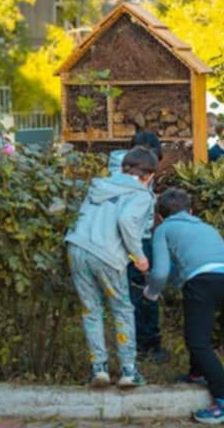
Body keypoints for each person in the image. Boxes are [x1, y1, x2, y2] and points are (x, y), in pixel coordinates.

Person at [143, 188, 224, 424]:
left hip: (203, 279)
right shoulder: (203, 225)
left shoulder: (164, 229)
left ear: (159, 217)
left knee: (197, 342)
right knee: (200, 329)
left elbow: (160, 272)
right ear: (191, 210)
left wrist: (151, 293)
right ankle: (197, 374)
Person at [65, 147, 157, 388]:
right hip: (107, 255)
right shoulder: (142, 194)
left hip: (76, 247)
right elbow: (126, 221)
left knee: (91, 309)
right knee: (122, 309)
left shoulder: (100, 185)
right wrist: (139, 256)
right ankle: (128, 371)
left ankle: (99, 369)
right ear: (149, 175)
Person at [108, 131, 166, 362]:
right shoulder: (134, 175)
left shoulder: (117, 170)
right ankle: (149, 345)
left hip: (114, 241)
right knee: (145, 292)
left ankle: (132, 346)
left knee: (128, 295)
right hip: (136, 241)